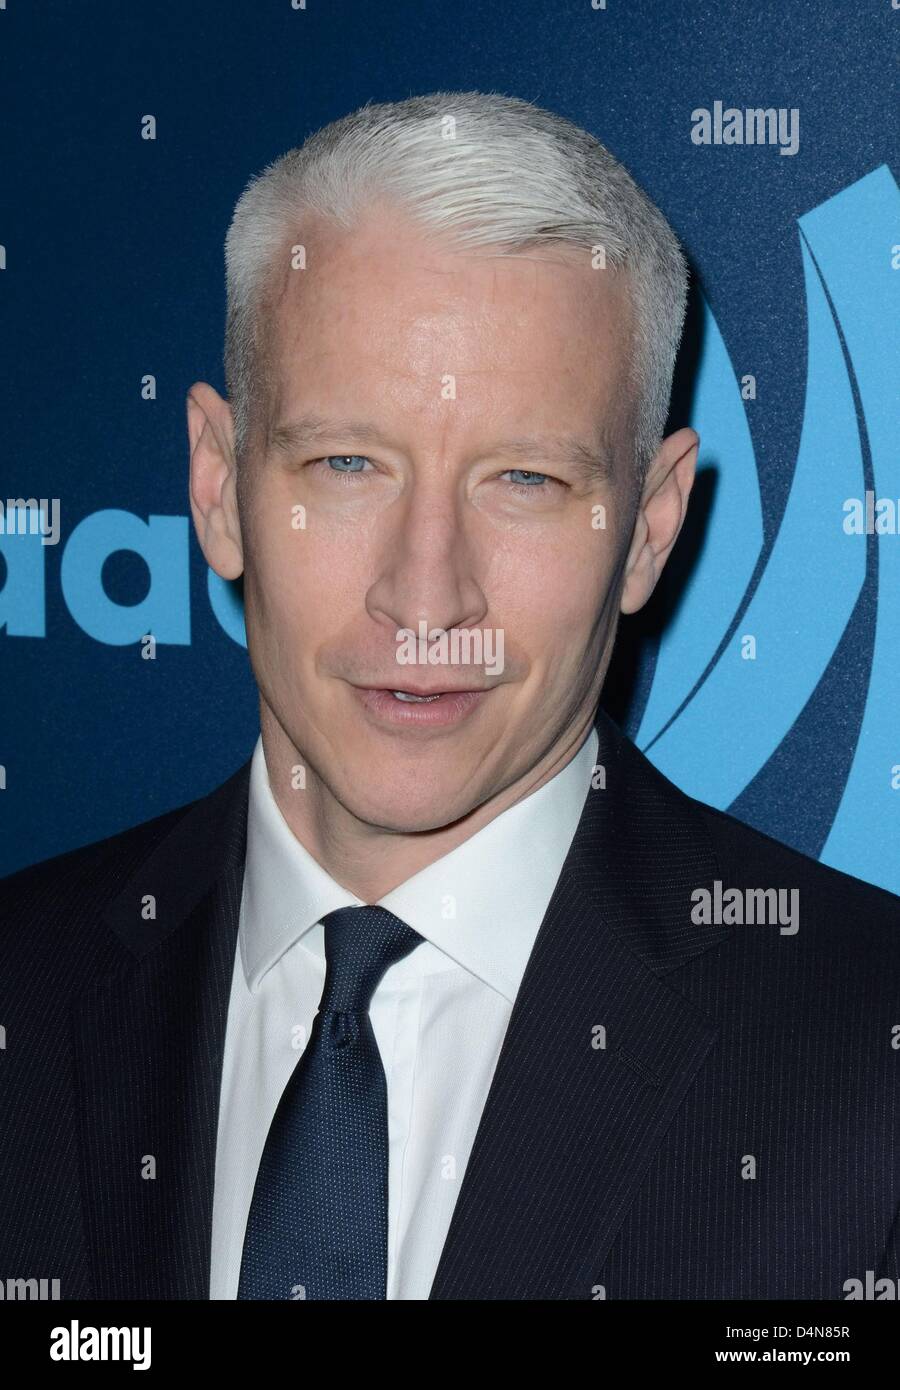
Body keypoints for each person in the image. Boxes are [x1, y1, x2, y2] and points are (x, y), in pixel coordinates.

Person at [2, 91, 898, 1302]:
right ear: (216, 487)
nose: (426, 593)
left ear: (648, 528)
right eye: (348, 463)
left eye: (523, 478)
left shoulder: (868, 1073)